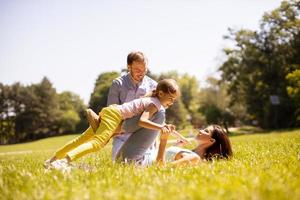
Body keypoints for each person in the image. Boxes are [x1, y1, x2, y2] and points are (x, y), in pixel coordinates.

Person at [44, 79, 182, 170]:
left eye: (174, 99)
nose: (172, 102)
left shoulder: (152, 99)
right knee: (97, 143)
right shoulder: (155, 104)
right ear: (161, 93)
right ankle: (64, 161)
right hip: (114, 116)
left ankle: (51, 160)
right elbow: (142, 122)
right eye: (170, 98)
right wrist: (161, 127)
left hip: (112, 112)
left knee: (82, 139)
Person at [107, 51, 158, 161]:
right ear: (128, 67)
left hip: (144, 135)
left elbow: (157, 114)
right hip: (122, 136)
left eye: (144, 70)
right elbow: (111, 113)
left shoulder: (153, 85)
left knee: (148, 164)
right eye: (137, 70)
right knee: (120, 163)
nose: (141, 73)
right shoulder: (118, 84)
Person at [156, 124, 233, 166]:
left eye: (206, 131)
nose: (200, 130)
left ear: (211, 140)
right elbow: (168, 156)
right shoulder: (190, 153)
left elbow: (161, 168)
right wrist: (177, 146)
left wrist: (163, 140)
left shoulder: (194, 158)